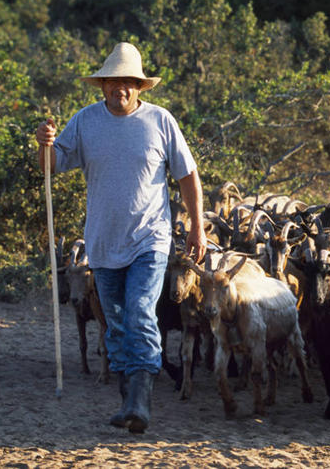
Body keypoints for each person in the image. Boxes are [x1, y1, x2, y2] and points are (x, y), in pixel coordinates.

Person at [36, 42, 207, 433]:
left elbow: (187, 176)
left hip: (150, 237)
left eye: (128, 82)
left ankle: (140, 403)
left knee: (140, 313)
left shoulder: (161, 121)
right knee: (114, 324)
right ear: (103, 86)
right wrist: (43, 145)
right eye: (114, 83)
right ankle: (128, 400)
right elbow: (53, 164)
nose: (121, 89)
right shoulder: (85, 121)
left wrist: (197, 225)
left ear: (139, 86)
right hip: (101, 241)